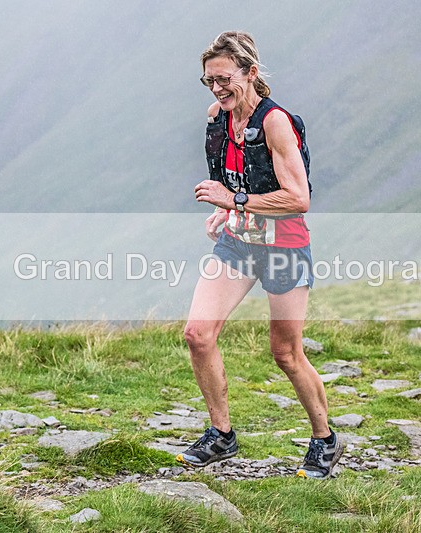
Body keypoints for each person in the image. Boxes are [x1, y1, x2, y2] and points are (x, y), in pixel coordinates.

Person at [178, 31, 343, 479]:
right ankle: (221, 435)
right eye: (209, 81)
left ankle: (325, 439)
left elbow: (298, 197)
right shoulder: (219, 117)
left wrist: (233, 202)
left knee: (286, 353)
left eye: (225, 79)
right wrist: (224, 211)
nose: (217, 89)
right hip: (239, 241)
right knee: (198, 334)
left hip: (284, 244)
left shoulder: (276, 122)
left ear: (251, 73)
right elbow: (234, 181)